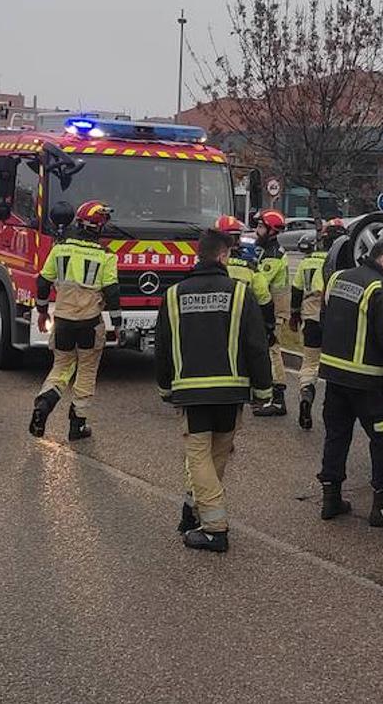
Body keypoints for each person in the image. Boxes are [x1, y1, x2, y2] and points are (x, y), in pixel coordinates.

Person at [155, 227, 273, 552]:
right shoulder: (239, 292)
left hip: (191, 392)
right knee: (217, 454)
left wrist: (165, 388)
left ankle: (215, 528)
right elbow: (256, 346)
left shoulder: (173, 295)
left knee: (198, 457)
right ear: (223, 256)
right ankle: (193, 510)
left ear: (199, 255)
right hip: (231, 392)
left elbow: (162, 347)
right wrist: (264, 390)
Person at [316, 239, 383, 527]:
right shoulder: (381, 290)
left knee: (336, 436)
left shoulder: (338, 278)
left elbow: (324, 318)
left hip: (334, 377)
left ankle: (330, 500)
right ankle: (382, 507)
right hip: (369, 384)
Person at [29, 201, 121, 441]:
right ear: (99, 228)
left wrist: (41, 312)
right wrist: (118, 324)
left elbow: (42, 282)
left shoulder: (60, 249)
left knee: (61, 367)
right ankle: (77, 425)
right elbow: (112, 292)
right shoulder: (106, 256)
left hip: (62, 321)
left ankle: (43, 405)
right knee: (87, 371)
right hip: (90, 324)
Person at [290, 218, 345, 430]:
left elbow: (296, 291)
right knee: (333, 367)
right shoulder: (340, 264)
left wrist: (295, 316)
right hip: (334, 321)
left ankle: (306, 392)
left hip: (311, 318)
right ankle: (333, 411)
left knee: (310, 362)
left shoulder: (307, 261)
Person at [215, 215, 276, 356]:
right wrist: (269, 328)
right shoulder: (250, 267)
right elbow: (264, 299)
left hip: (214, 327)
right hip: (244, 325)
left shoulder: (206, 266)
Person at [253, 209, 290, 417]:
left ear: (271, 230)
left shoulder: (273, 256)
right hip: (270, 308)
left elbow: (261, 284)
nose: (257, 231)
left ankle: (278, 399)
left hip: (275, 310)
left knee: (273, 350)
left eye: (260, 227)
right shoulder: (267, 251)